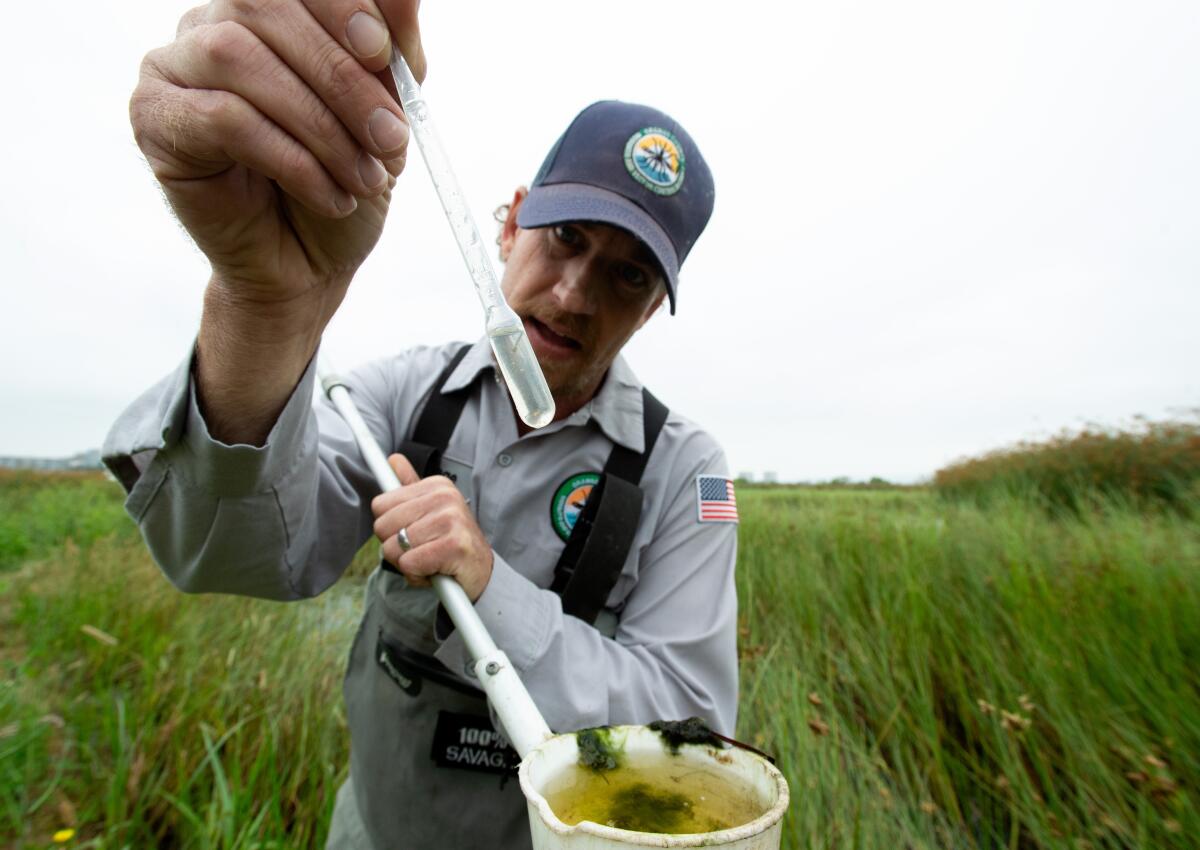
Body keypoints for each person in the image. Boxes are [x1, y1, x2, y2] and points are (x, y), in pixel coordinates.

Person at [107, 2, 738, 847]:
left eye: (626, 275)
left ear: (655, 305)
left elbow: (693, 726)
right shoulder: (409, 392)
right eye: (565, 239)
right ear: (511, 222)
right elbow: (227, 551)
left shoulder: (688, 471)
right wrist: (263, 303)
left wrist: (489, 586)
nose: (575, 293)